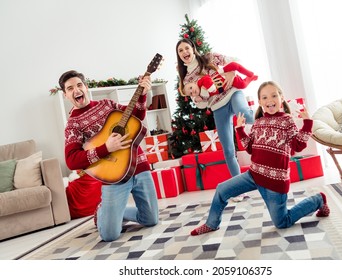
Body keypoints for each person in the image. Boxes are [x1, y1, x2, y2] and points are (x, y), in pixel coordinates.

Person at [190, 81, 330, 236]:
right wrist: (240, 129)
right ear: (260, 102)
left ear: (281, 98)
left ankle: (319, 200)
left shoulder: (287, 121)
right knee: (221, 190)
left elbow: (298, 146)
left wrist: (307, 124)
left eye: (273, 95)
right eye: (264, 97)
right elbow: (250, 148)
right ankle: (212, 223)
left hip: (275, 182)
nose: (269, 100)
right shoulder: (258, 122)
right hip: (254, 175)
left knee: (282, 222)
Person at [59, 70, 159, 242]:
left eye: (79, 85)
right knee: (110, 235)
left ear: (86, 86)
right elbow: (72, 160)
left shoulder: (106, 104)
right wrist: (106, 148)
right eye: (70, 88)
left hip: (139, 166)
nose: (76, 90)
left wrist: (142, 95)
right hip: (114, 177)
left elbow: (135, 117)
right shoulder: (73, 125)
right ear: (65, 94)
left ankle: (117, 211)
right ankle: (102, 211)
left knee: (151, 220)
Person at [176, 38, 255, 201]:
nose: (184, 52)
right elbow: (202, 104)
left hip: (233, 93)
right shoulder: (186, 80)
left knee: (246, 114)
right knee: (228, 150)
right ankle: (239, 190)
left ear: (193, 48)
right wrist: (199, 100)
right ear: (179, 55)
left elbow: (235, 61)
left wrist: (230, 74)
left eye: (186, 48)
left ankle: (272, 118)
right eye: (180, 51)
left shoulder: (210, 58)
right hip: (217, 106)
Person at [182, 61, 258, 103]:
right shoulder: (201, 95)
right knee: (243, 85)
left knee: (234, 65)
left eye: (191, 88)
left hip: (221, 75)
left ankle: (249, 73)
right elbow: (206, 99)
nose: (193, 91)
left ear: (194, 83)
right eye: (191, 93)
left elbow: (206, 78)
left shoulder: (199, 82)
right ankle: (250, 78)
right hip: (228, 84)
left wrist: (211, 88)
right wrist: (196, 100)